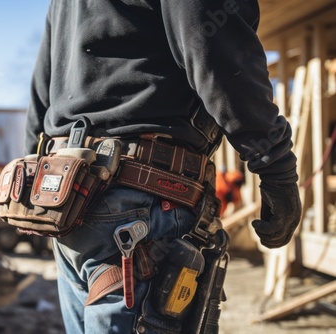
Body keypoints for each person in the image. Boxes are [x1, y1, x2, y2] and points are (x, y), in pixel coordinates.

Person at [24, 1, 302, 333]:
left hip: (70, 198)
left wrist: (37, 179)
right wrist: (275, 166)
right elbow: (217, 52)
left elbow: (43, 88)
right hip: (139, 202)